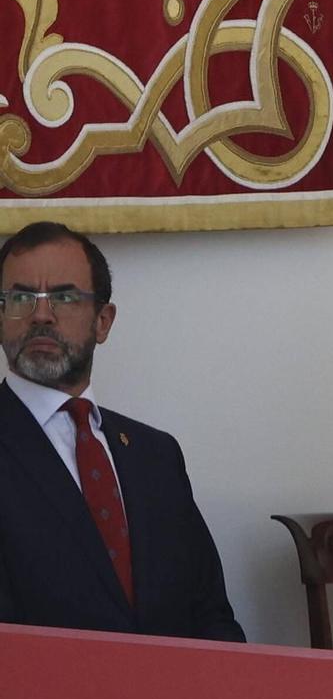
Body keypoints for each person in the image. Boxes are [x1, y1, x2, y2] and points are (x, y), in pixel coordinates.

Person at [0, 222, 243, 640]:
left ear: (103, 321)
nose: (41, 314)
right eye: (21, 297)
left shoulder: (157, 456)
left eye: (64, 296)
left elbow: (211, 617)